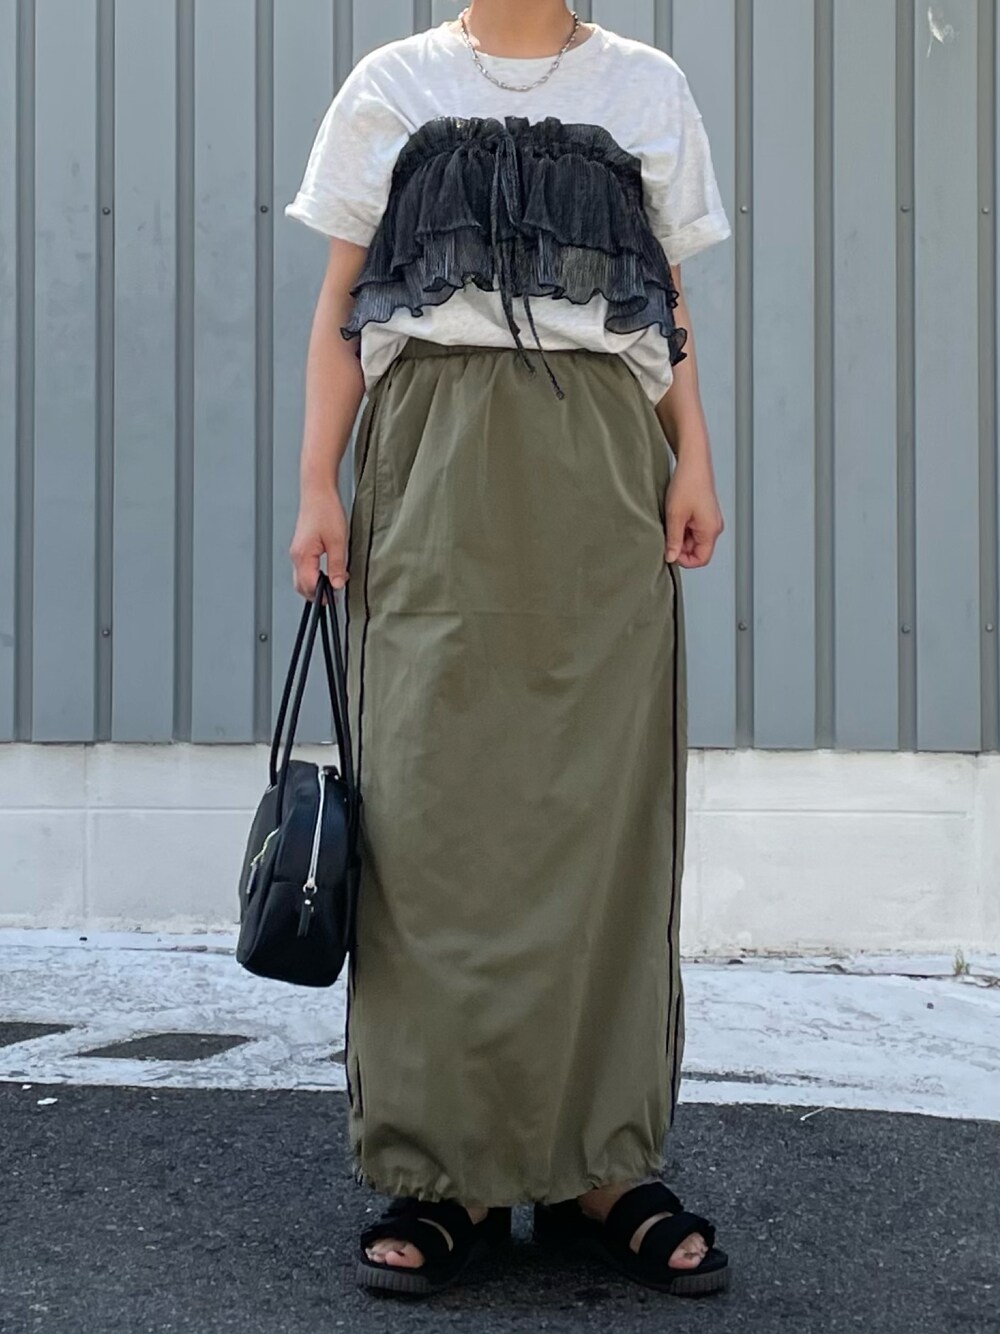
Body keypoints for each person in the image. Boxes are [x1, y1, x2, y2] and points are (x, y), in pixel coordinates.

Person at [285, 0, 732, 1300]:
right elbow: (342, 303)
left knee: (602, 815)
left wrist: (694, 457)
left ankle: (602, 1167)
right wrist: (316, 483)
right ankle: (447, 1173)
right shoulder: (393, 83)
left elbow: (666, 301)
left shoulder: (646, 88)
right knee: (430, 815)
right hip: (431, 466)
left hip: (601, 467)